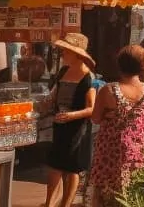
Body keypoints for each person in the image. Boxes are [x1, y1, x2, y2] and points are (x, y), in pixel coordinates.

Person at [90, 45, 144, 207]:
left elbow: (95, 118)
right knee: (134, 193)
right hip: (137, 151)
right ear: (143, 67)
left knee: (106, 195)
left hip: (109, 153)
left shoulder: (108, 91)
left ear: (119, 64)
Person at [45, 34, 96, 207]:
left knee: (72, 168)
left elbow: (91, 108)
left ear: (76, 54)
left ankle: (65, 204)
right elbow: (55, 93)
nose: (63, 54)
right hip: (60, 124)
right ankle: (49, 202)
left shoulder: (88, 77)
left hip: (77, 128)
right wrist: (49, 101)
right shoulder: (63, 71)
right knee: (54, 165)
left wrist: (71, 116)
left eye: (66, 51)